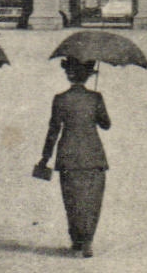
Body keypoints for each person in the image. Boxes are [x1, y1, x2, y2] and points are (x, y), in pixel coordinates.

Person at [39, 58, 112, 257]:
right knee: (92, 199)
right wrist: (95, 109)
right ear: (88, 75)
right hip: (93, 155)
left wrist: (45, 157)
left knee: (72, 199)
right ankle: (87, 240)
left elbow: (53, 130)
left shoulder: (60, 99)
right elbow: (106, 124)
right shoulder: (96, 98)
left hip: (68, 156)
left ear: (69, 74)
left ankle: (77, 240)